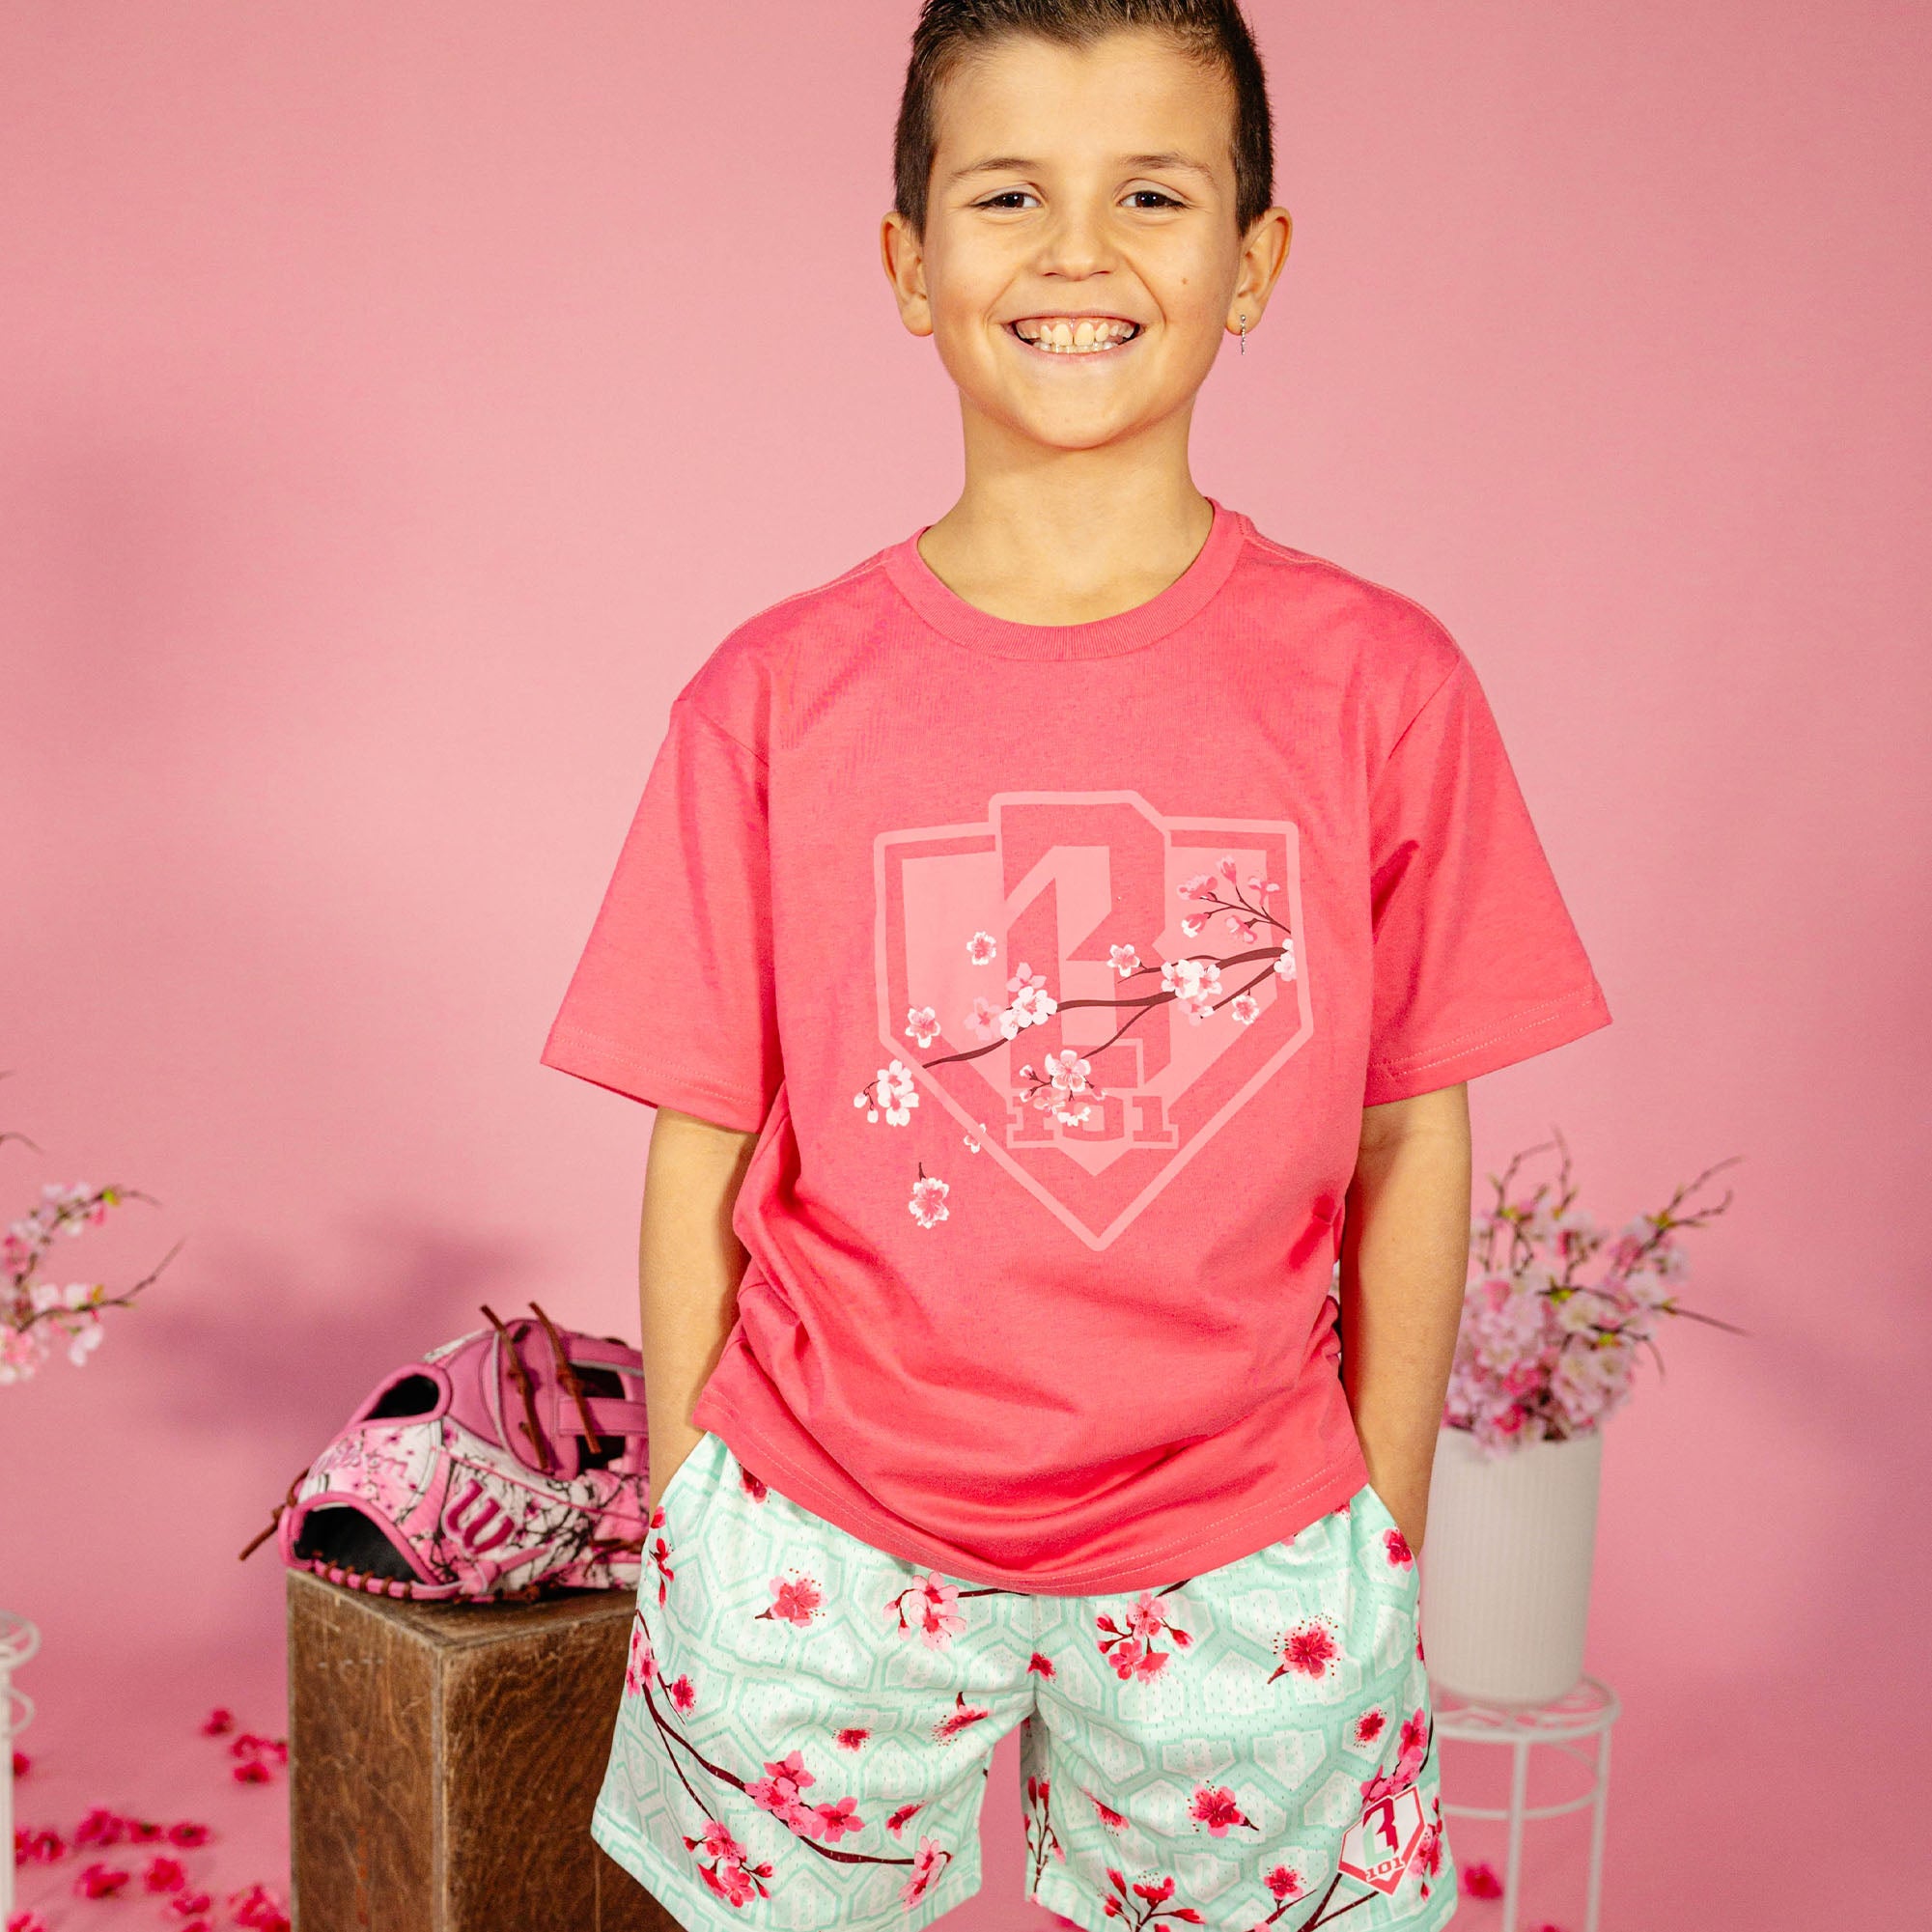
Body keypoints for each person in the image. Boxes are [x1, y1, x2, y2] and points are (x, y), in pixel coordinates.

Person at [542, 3, 1610, 1926]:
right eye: (1007, 191)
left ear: (1252, 261)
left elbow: (1410, 1134)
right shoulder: (770, 697)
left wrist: (1378, 1514)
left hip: (1250, 1538)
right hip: (819, 1533)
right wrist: (691, 1490)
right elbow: (701, 1127)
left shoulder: (1382, 684)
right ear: (907, 260)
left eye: (1150, 192)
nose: (1075, 252)